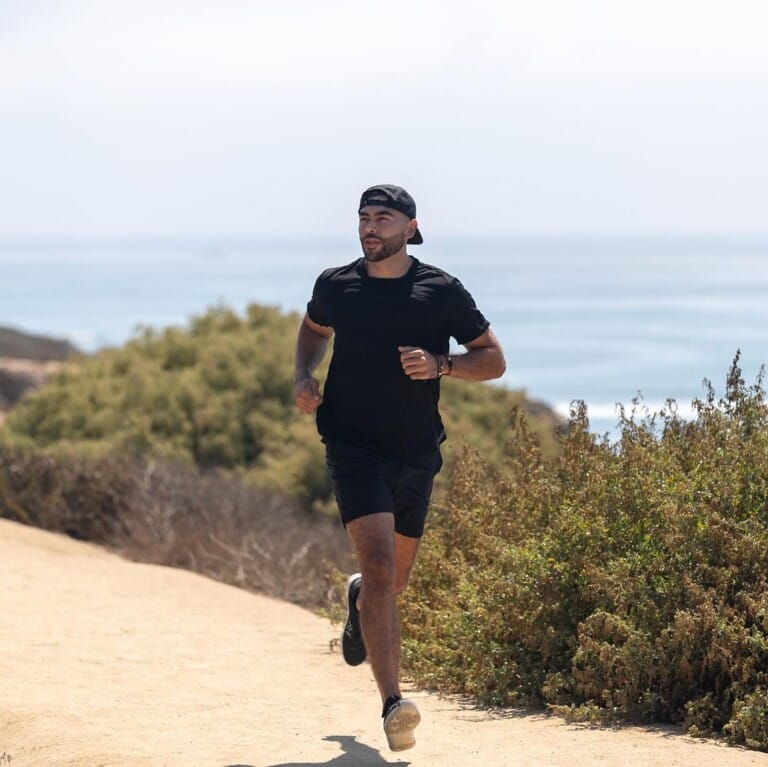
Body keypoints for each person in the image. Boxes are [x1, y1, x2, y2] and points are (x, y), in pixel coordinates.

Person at [293, 184, 506, 752]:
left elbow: (493, 360)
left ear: (411, 227)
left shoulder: (440, 290)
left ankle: (360, 596)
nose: (370, 228)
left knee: (392, 584)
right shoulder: (335, 284)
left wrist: (441, 363)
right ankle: (393, 703)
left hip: (415, 451)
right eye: (364, 218)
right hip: (351, 444)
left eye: (383, 219)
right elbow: (313, 331)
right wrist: (303, 376)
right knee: (385, 569)